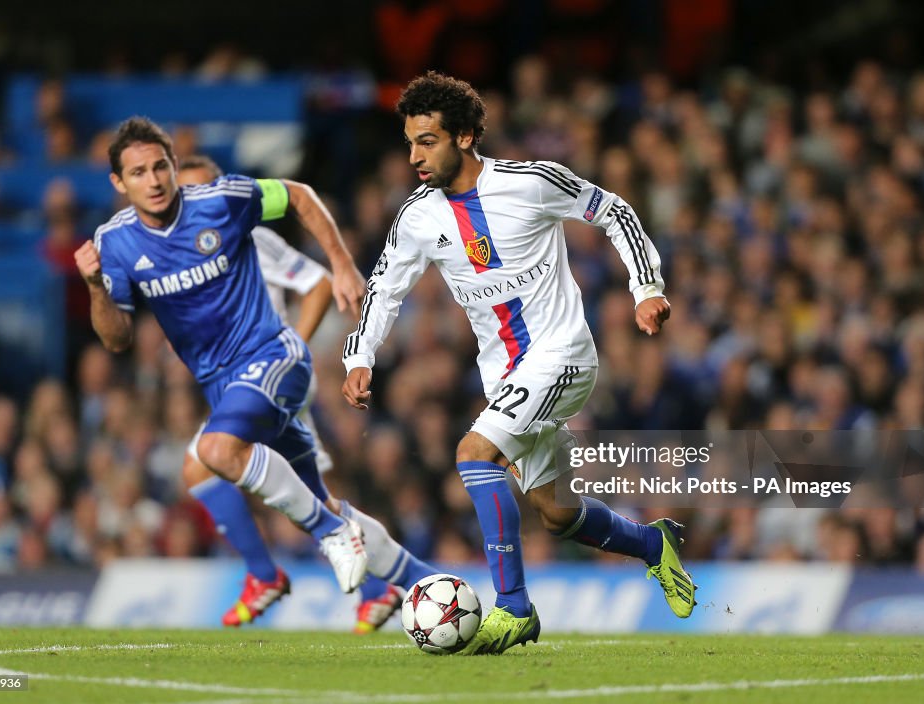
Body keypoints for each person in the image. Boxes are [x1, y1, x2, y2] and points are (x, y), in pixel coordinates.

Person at [342, 72, 696, 655]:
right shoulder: (418, 216)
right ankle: (654, 546)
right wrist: (361, 355)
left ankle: (514, 608)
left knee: (472, 453)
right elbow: (385, 287)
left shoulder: (530, 182)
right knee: (557, 515)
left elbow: (614, 211)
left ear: (463, 137)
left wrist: (646, 289)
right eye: (409, 142)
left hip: (563, 355)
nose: (414, 156)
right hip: (503, 373)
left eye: (426, 141)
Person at [74, 117, 374, 594]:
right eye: (138, 173)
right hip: (220, 384)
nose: (152, 181)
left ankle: (333, 535)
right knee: (310, 497)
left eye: (159, 167)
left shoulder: (222, 200)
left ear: (174, 166)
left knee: (214, 453)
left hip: (274, 355)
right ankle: (400, 587)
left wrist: (341, 265)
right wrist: (94, 286)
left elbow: (298, 195)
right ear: (118, 182)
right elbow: (116, 339)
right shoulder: (115, 243)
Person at [175, 155, 433, 630]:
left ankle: (262, 573)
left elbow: (316, 284)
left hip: (269, 375)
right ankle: (400, 585)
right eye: (183, 193)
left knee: (203, 462)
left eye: (199, 190)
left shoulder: (249, 236)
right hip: (241, 381)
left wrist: (289, 346)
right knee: (312, 502)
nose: (191, 203)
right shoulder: (183, 253)